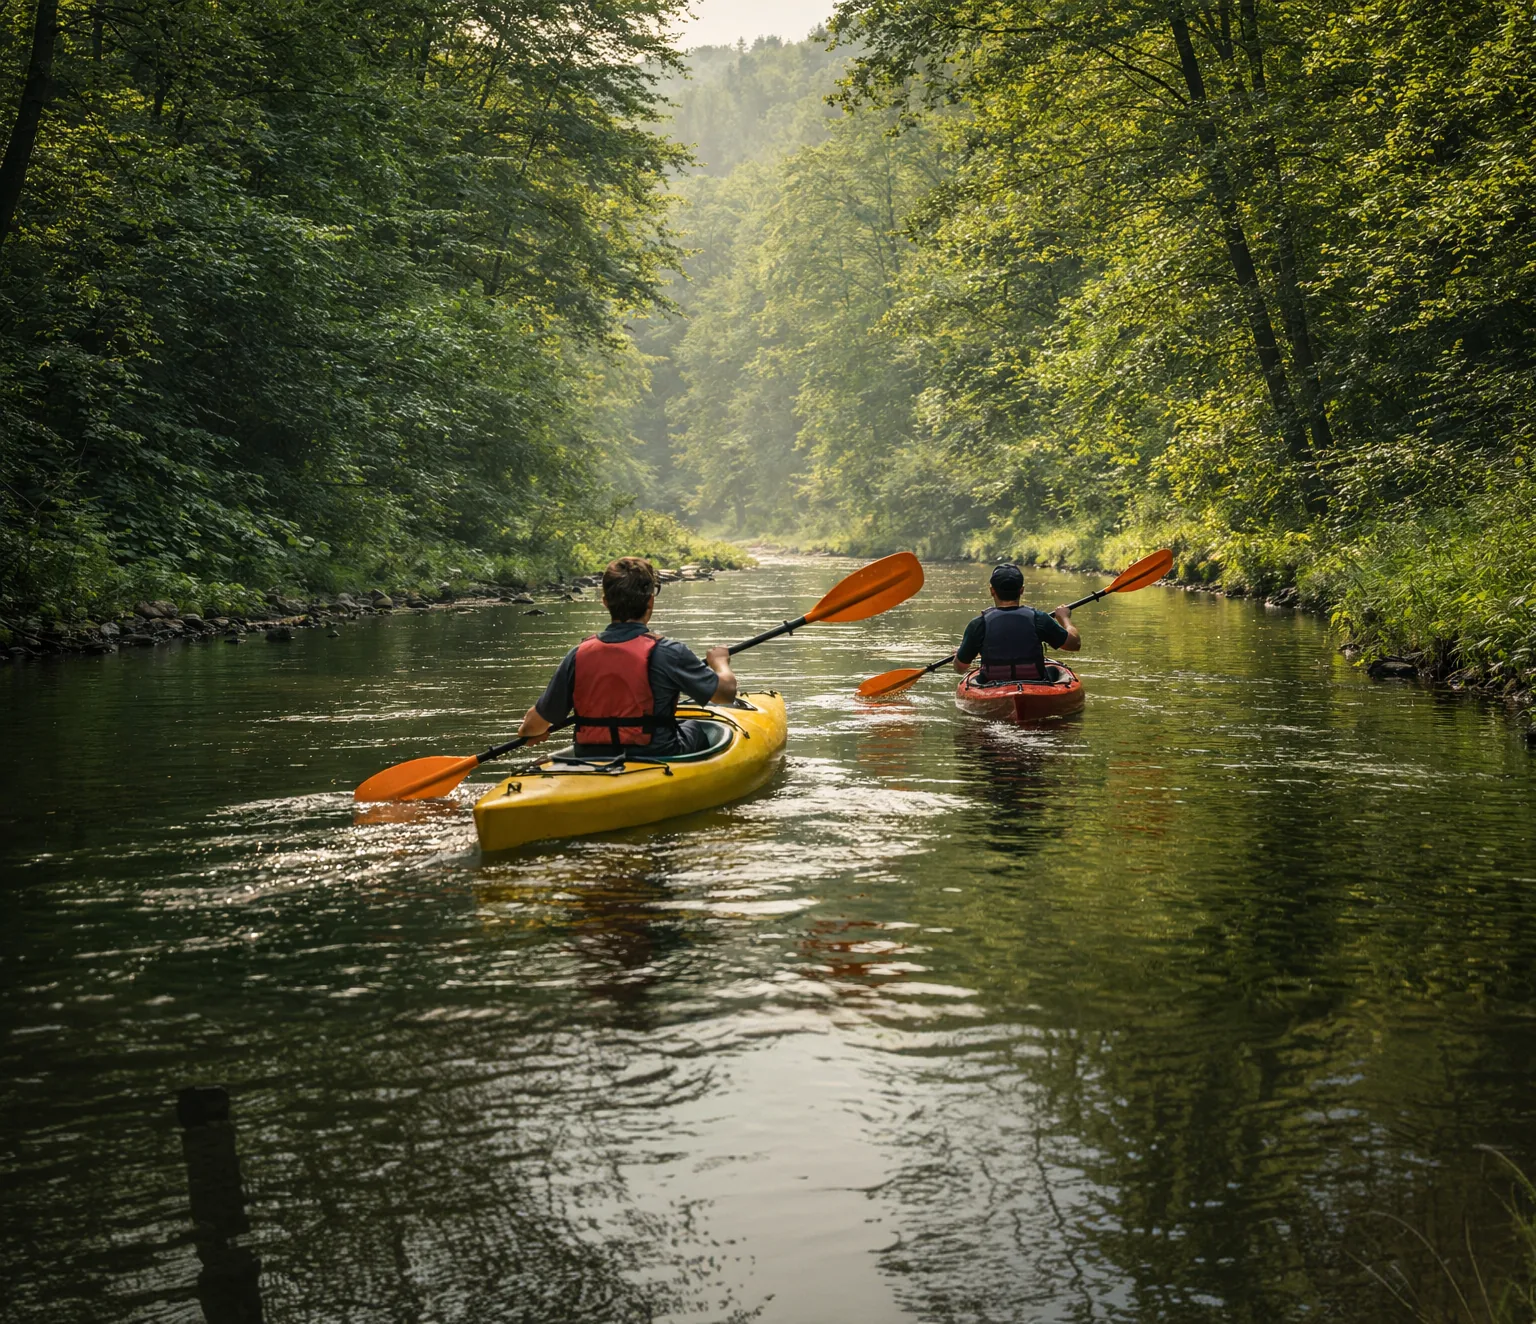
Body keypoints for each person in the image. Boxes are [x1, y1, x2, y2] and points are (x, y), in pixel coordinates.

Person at [516, 557, 737, 758]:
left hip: (590, 754)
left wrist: (535, 732)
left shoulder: (578, 655)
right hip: (657, 753)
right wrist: (720, 663)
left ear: (605, 602)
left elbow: (531, 727)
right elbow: (725, 694)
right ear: (650, 601)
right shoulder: (670, 652)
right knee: (695, 727)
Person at [954, 563, 1081, 682]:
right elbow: (1074, 644)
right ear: (1021, 590)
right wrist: (1064, 618)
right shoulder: (1039, 618)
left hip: (992, 684)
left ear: (992, 590)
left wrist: (960, 654)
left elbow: (960, 667)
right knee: (1053, 671)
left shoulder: (978, 624)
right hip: (1035, 682)